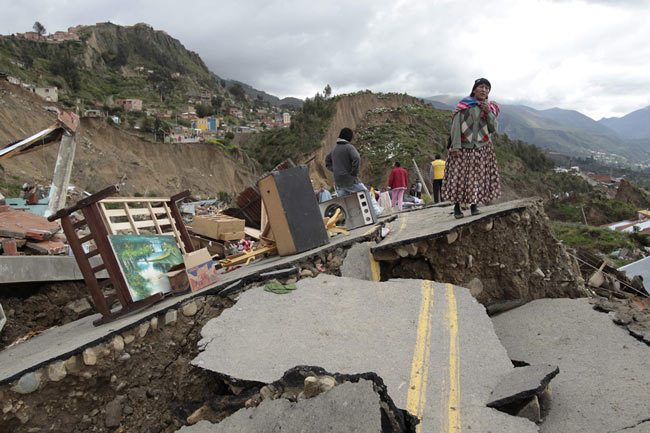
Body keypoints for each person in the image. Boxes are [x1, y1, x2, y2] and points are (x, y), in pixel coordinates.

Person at [442, 78, 501, 219]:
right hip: (462, 148)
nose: (484, 90)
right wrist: (456, 146)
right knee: (459, 178)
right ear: (474, 89)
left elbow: (493, 128)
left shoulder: (490, 108)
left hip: (482, 148)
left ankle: (474, 205)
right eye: (481, 87)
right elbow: (455, 126)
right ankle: (457, 207)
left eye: (487, 88)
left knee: (477, 178)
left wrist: (488, 113)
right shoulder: (464, 106)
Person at [325, 128, 366, 197]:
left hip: (339, 182)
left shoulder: (334, 150)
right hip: (351, 180)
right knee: (368, 196)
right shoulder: (349, 147)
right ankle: (376, 208)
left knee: (346, 203)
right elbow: (356, 158)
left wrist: (335, 170)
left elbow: (327, 161)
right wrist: (354, 173)